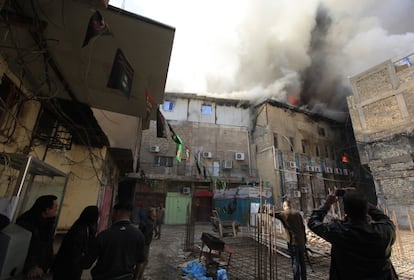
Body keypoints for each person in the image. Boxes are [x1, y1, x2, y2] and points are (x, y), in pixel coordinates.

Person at [307, 189, 398, 279]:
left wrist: (327, 203)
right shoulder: (385, 230)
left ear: (345, 210)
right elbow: (383, 217)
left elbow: (313, 222)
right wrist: (359, 199)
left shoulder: (338, 231)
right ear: (366, 208)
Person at [90, 202, 146, 280]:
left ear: (118, 213)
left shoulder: (104, 235)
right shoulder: (139, 235)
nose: (111, 215)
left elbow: (89, 261)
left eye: (112, 212)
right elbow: (140, 262)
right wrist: (135, 278)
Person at [16, 194, 58, 279]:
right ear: (47, 209)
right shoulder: (26, 223)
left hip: (41, 269)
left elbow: (47, 246)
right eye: (55, 207)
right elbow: (22, 247)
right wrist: (32, 266)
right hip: (26, 270)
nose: (56, 209)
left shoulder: (49, 223)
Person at [52, 205, 99, 280]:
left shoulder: (82, 227)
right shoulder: (80, 231)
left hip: (68, 268)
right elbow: (74, 253)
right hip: (67, 269)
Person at [273, 200, 307, 280]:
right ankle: (304, 278)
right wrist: (305, 240)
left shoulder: (284, 214)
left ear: (284, 206)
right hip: (301, 242)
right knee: (302, 262)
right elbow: (303, 227)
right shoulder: (298, 214)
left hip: (293, 243)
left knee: (295, 262)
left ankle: (296, 279)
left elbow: (274, 214)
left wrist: (263, 211)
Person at [136, 207, 157, 280]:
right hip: (144, 244)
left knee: (141, 261)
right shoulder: (149, 223)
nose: (155, 215)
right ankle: (138, 277)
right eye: (154, 213)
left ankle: (138, 276)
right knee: (143, 261)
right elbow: (145, 234)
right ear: (150, 214)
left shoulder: (145, 220)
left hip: (142, 243)